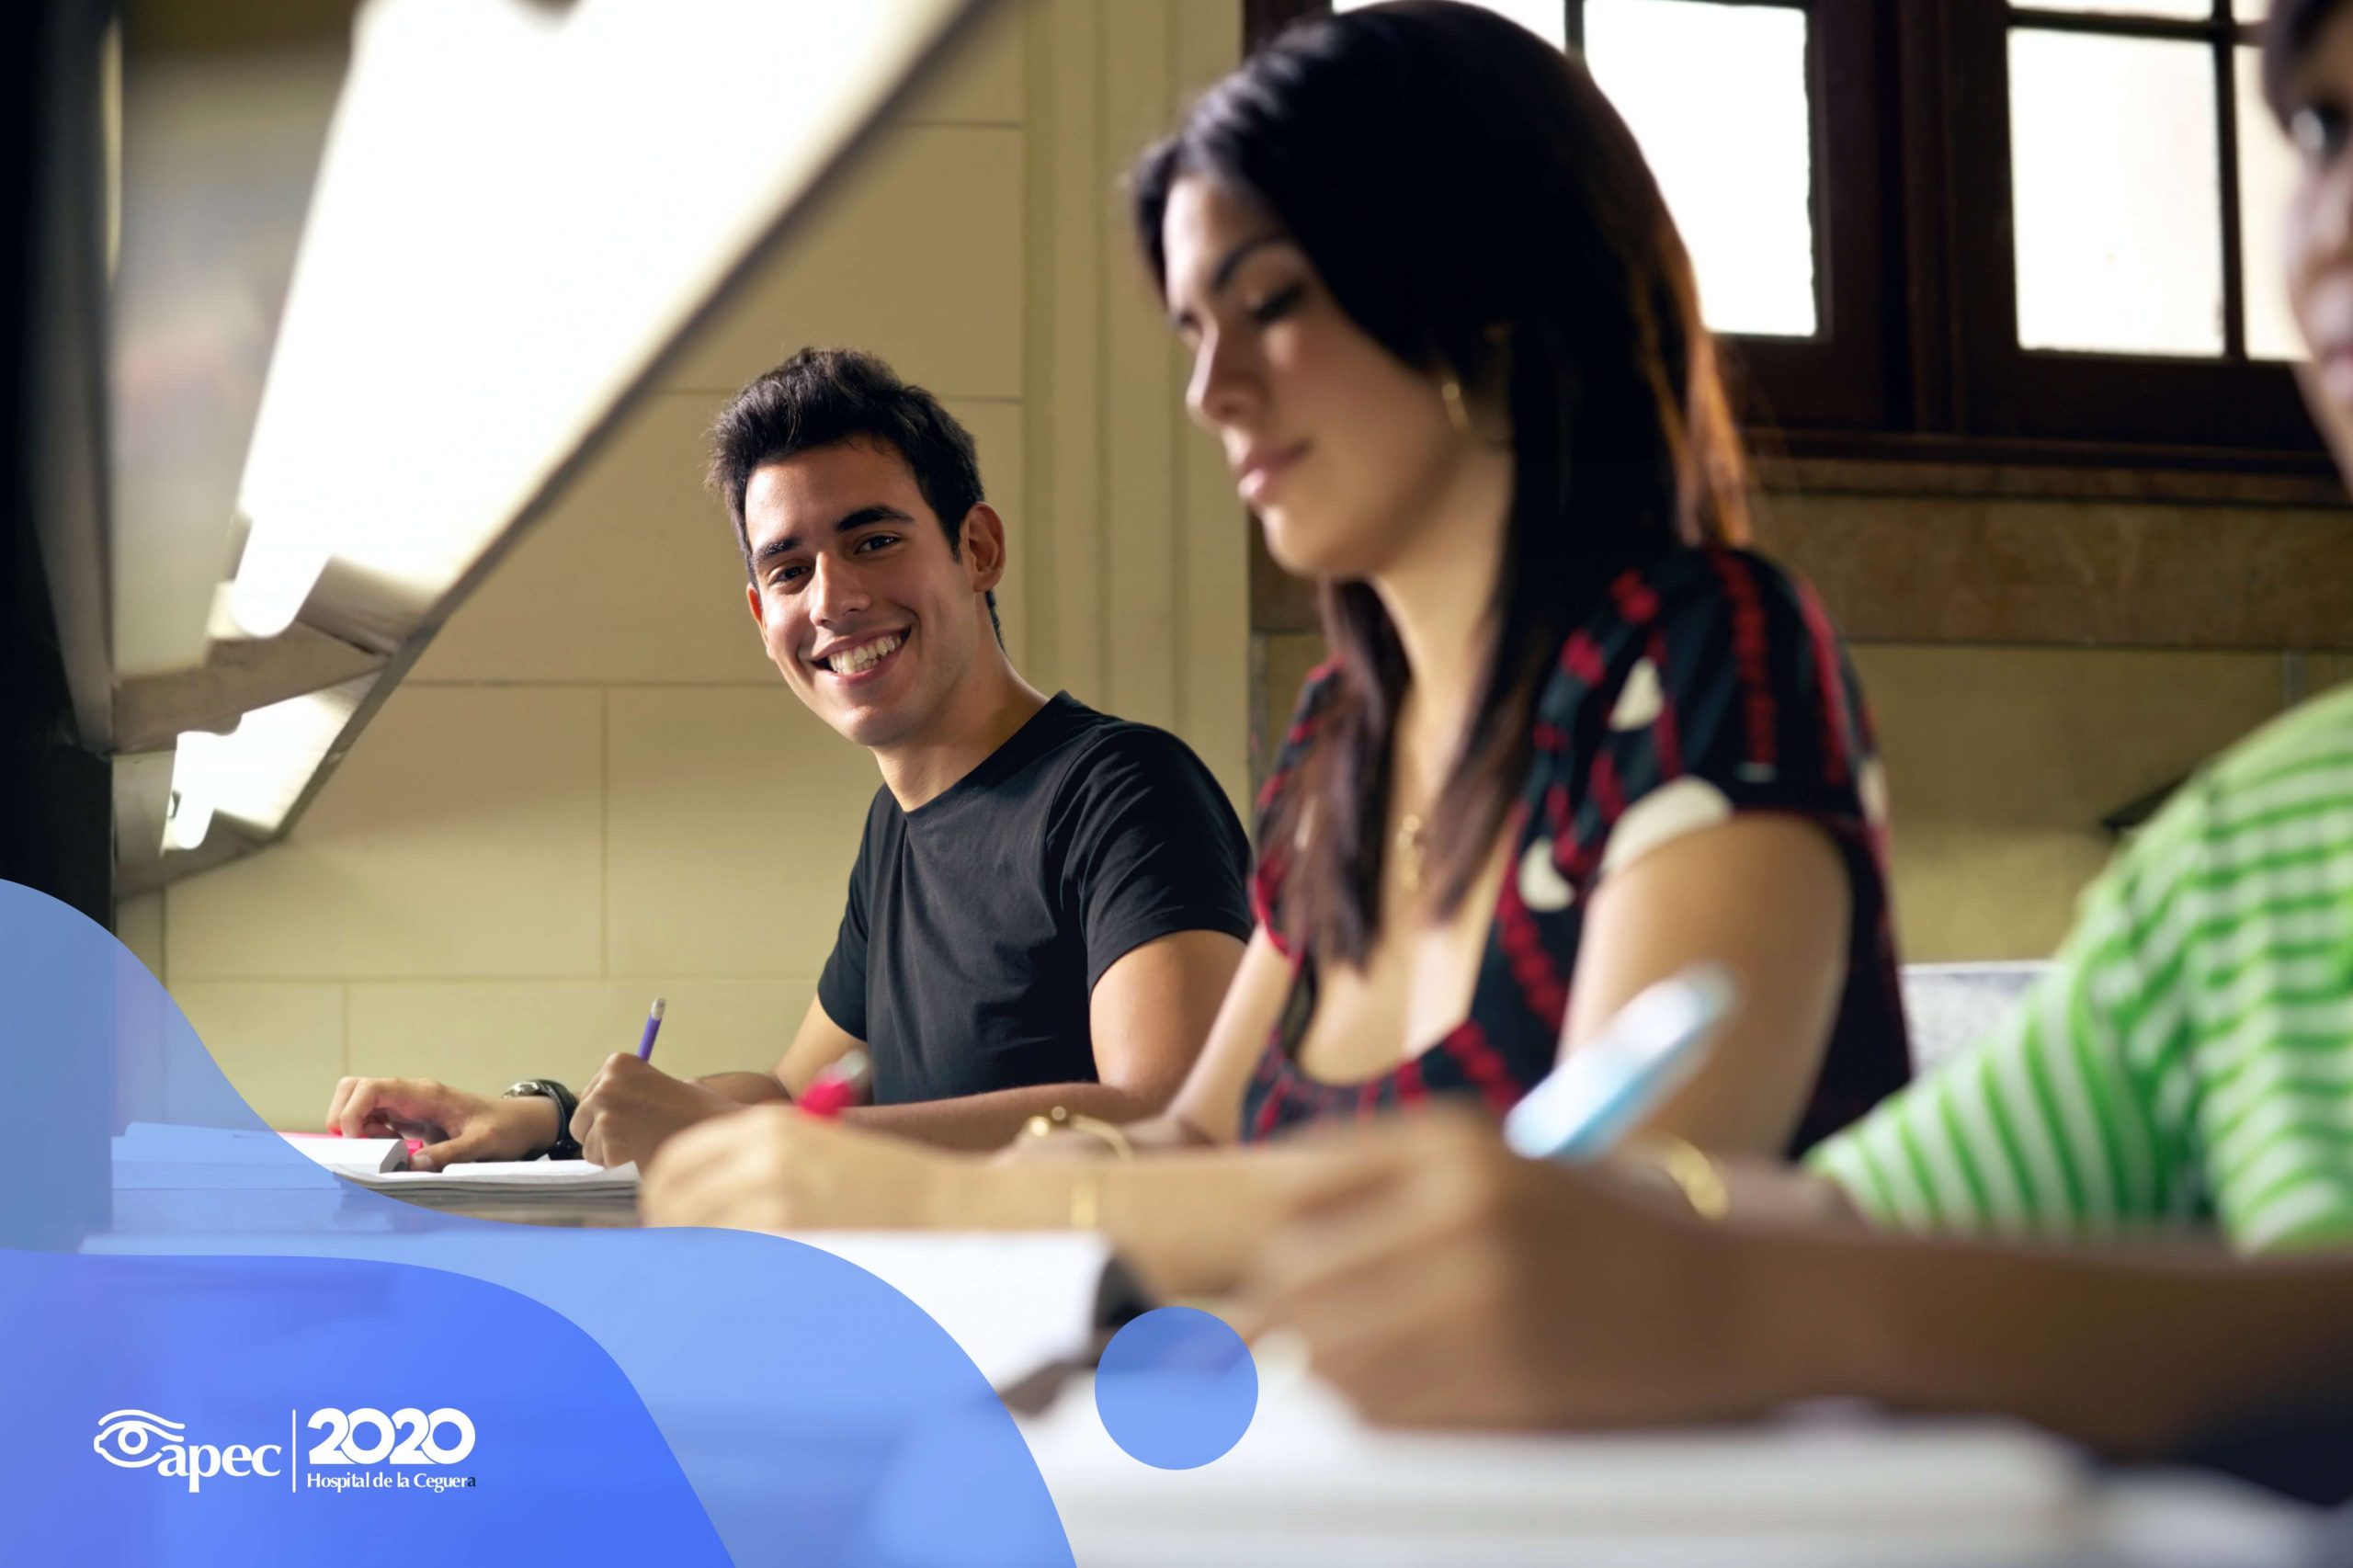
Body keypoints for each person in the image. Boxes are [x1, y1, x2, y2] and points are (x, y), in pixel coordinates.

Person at [1233, 0, 2353, 1460]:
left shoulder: (1710, 658)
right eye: (2323, 132)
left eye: (1272, 306)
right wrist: (1577, 1248)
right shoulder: (2250, 849)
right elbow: (1833, 1225)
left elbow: (1785, 1274)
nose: (2324, 225)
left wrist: (1770, 1300)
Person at [641, 1, 1910, 1273]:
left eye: (1273, 305)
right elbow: (1192, 1137)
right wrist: (1020, 1171)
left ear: (1483, 291)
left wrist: (930, 1194)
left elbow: (1598, 1253)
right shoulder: (1343, 740)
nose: (1213, 390)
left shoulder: (1705, 659)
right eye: (1197, 330)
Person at [326, 348, 1255, 1169]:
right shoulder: (898, 825)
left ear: (977, 548)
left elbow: (1165, 1115)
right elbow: (790, 1092)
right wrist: (548, 1116)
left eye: (874, 540)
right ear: (759, 615)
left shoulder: (1123, 788)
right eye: (788, 568)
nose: (833, 597)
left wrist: (781, 1141)